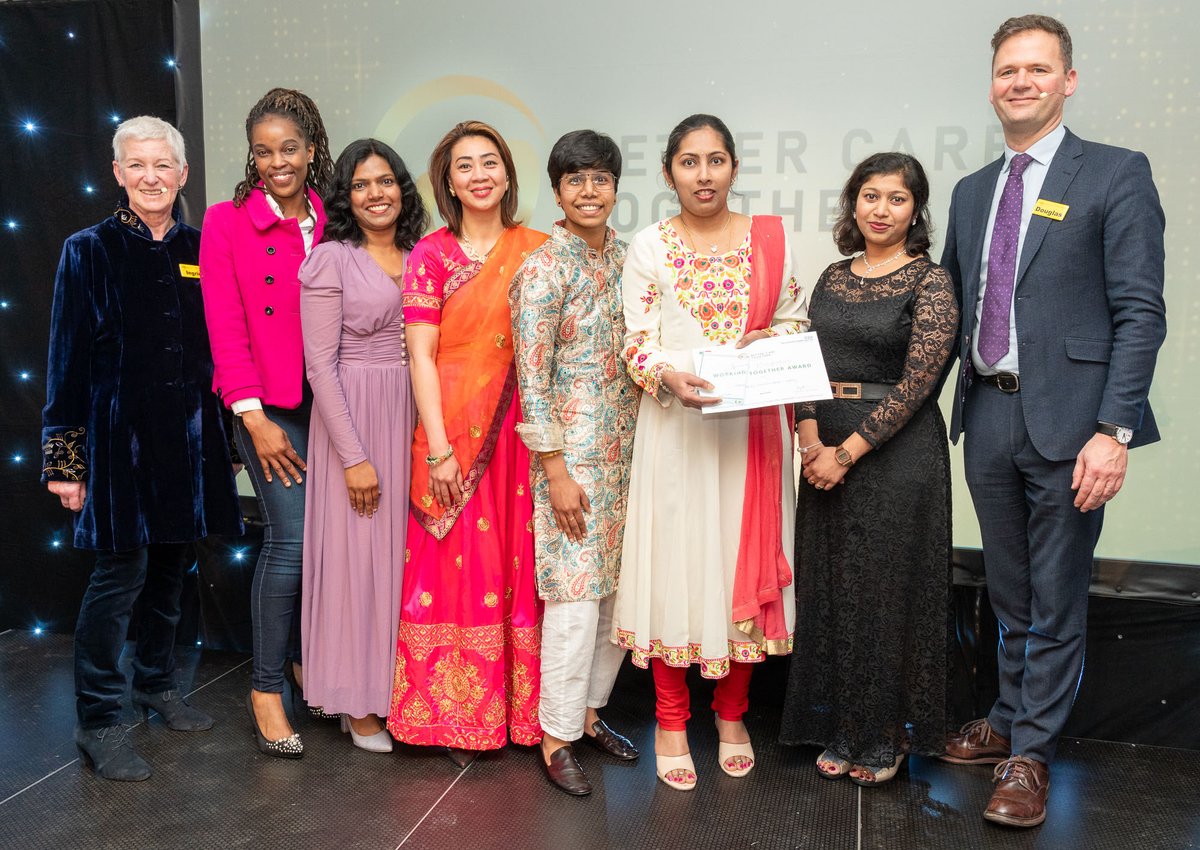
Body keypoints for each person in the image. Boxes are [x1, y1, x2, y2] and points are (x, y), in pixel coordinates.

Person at [939, 15, 1166, 828]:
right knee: (1009, 594)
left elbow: (1140, 312)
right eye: (1008, 70)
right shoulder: (972, 192)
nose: (1021, 82)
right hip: (989, 418)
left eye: (1038, 68)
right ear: (992, 84)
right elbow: (950, 314)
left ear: (1068, 80)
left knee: (1057, 595)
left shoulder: (1115, 173)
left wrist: (1116, 429)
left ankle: (1028, 755)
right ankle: (1005, 717)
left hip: (1075, 427)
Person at [41, 116, 243, 781]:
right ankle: (100, 717)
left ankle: (156, 685)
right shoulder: (87, 250)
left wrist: (228, 442)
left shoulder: (201, 247)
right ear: (118, 173)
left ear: (183, 175)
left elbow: (221, 351)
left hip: (188, 445)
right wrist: (65, 465)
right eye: (138, 165)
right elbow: (64, 362)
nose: (151, 176)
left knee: (170, 573)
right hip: (114, 447)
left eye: (164, 165)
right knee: (117, 578)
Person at [615, 114, 807, 791]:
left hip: (750, 433)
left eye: (716, 160)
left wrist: (773, 343)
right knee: (676, 564)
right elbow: (635, 340)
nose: (703, 174)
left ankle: (731, 714)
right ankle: (671, 718)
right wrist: (665, 373)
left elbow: (792, 320)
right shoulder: (650, 246)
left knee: (741, 562)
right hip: (676, 431)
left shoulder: (770, 241)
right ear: (669, 172)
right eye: (689, 162)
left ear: (733, 168)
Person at [778, 152, 958, 786]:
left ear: (916, 209)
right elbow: (804, 358)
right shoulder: (832, 275)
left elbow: (918, 385)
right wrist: (807, 440)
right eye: (871, 196)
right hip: (821, 448)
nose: (882, 210)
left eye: (897, 199)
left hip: (895, 454)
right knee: (832, 592)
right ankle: (840, 726)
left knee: (887, 596)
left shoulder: (930, 281)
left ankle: (886, 736)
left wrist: (846, 452)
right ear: (853, 202)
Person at [385, 121, 547, 764]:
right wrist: (439, 447)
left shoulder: (537, 248)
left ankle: (522, 713)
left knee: (514, 564)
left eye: (490, 163)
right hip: (451, 428)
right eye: (464, 166)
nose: (479, 175)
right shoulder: (429, 253)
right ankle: (453, 715)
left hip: (520, 430)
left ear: (508, 173)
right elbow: (420, 357)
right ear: (447, 181)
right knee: (452, 565)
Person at [200, 88, 334, 758]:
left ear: (312, 150)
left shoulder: (333, 217)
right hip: (270, 407)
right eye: (263, 150)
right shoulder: (227, 221)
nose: (276, 162)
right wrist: (252, 418)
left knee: (330, 547)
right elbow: (225, 327)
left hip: (335, 406)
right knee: (291, 540)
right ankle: (264, 686)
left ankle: (315, 668)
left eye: (289, 149)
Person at [510, 130, 640, 796]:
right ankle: (555, 735)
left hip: (634, 457)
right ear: (558, 191)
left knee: (620, 599)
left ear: (616, 187)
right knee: (574, 602)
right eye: (576, 180)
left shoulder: (630, 258)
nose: (590, 191)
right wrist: (555, 471)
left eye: (601, 179)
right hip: (574, 466)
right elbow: (532, 379)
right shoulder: (541, 268)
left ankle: (589, 713)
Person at [298, 139, 428, 753]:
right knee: (357, 561)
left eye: (385, 181)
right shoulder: (331, 259)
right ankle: (357, 704)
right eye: (360, 184)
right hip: (353, 414)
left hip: (411, 412)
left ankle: (394, 692)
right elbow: (319, 367)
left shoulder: (422, 254)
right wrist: (353, 457)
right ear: (345, 197)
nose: (376, 193)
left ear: (403, 188)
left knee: (400, 564)